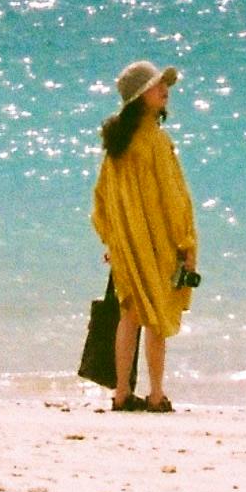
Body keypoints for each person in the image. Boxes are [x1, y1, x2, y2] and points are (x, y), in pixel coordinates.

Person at [90, 59, 198, 413]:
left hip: (126, 245)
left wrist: (112, 240)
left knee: (130, 315)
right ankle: (155, 394)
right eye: (156, 86)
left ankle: (121, 393)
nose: (164, 90)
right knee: (156, 317)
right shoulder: (156, 141)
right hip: (156, 244)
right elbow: (174, 199)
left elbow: (102, 199)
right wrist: (186, 244)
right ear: (140, 97)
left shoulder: (117, 145)